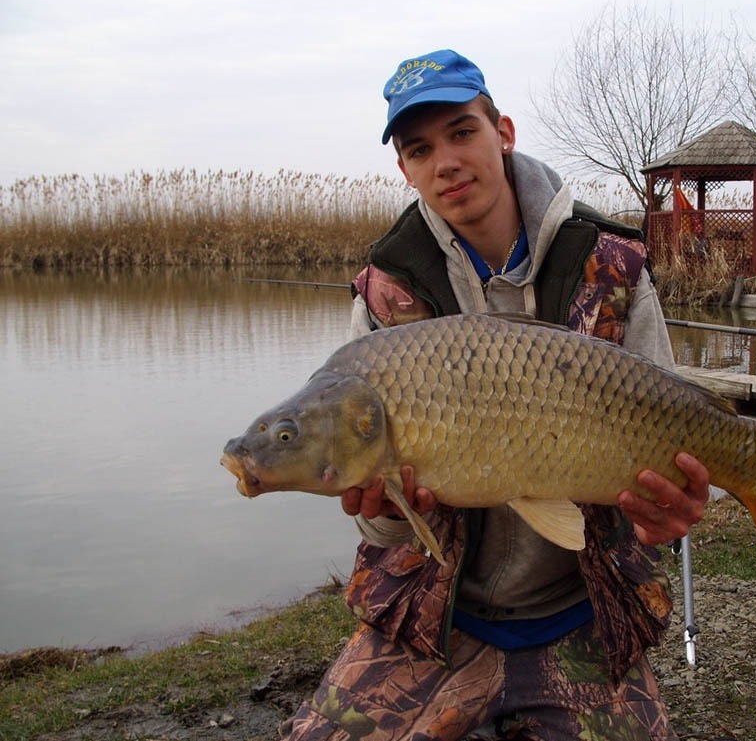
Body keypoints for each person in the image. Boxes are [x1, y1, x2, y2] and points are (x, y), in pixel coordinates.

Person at [282, 49, 710, 741]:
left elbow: (677, 435)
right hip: (437, 620)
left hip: (584, 609)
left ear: (502, 131)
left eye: (461, 132)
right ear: (405, 169)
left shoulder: (616, 266)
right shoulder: (384, 297)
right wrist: (384, 513)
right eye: (420, 148)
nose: (445, 161)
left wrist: (671, 510)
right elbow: (381, 530)